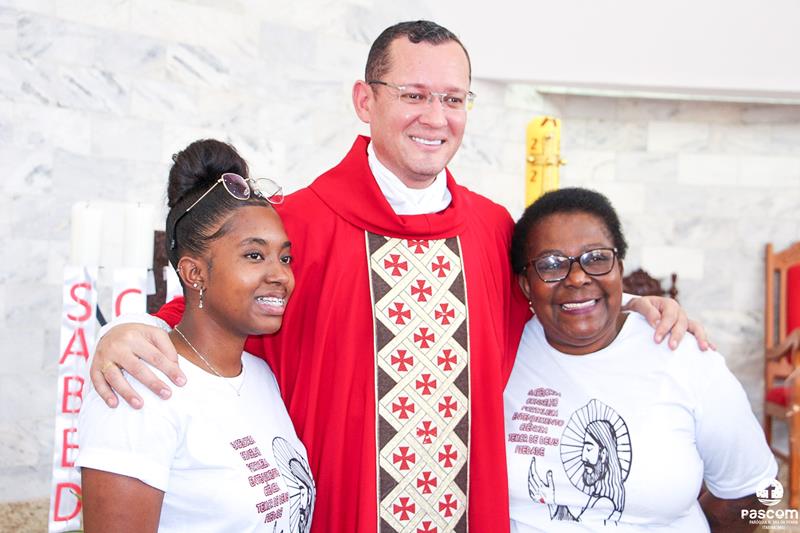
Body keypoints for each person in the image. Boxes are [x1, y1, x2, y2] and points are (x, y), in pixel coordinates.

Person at [88, 21, 706, 533]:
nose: (436, 118)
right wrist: (131, 328)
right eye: (414, 95)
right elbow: (209, 315)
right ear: (366, 101)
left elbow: (552, 303)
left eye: (454, 99)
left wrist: (632, 304)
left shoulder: (491, 230)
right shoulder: (297, 223)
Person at [76, 140, 315, 532]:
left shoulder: (261, 377)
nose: (280, 275)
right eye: (254, 255)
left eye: (284, 257)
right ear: (194, 273)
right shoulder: (139, 385)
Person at [505, 187, 776, 532]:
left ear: (619, 268)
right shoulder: (503, 350)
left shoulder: (682, 355)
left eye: (596, 258)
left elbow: (752, 489)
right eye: (552, 264)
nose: (577, 277)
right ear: (526, 285)